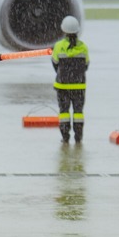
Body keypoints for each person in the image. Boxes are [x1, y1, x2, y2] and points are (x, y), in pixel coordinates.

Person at [52, 15, 90, 143]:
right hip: (79, 86)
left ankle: (65, 137)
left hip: (62, 86)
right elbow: (86, 65)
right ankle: (78, 137)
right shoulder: (83, 47)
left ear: (63, 30)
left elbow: (55, 64)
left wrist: (63, 74)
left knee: (64, 112)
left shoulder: (58, 46)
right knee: (78, 113)